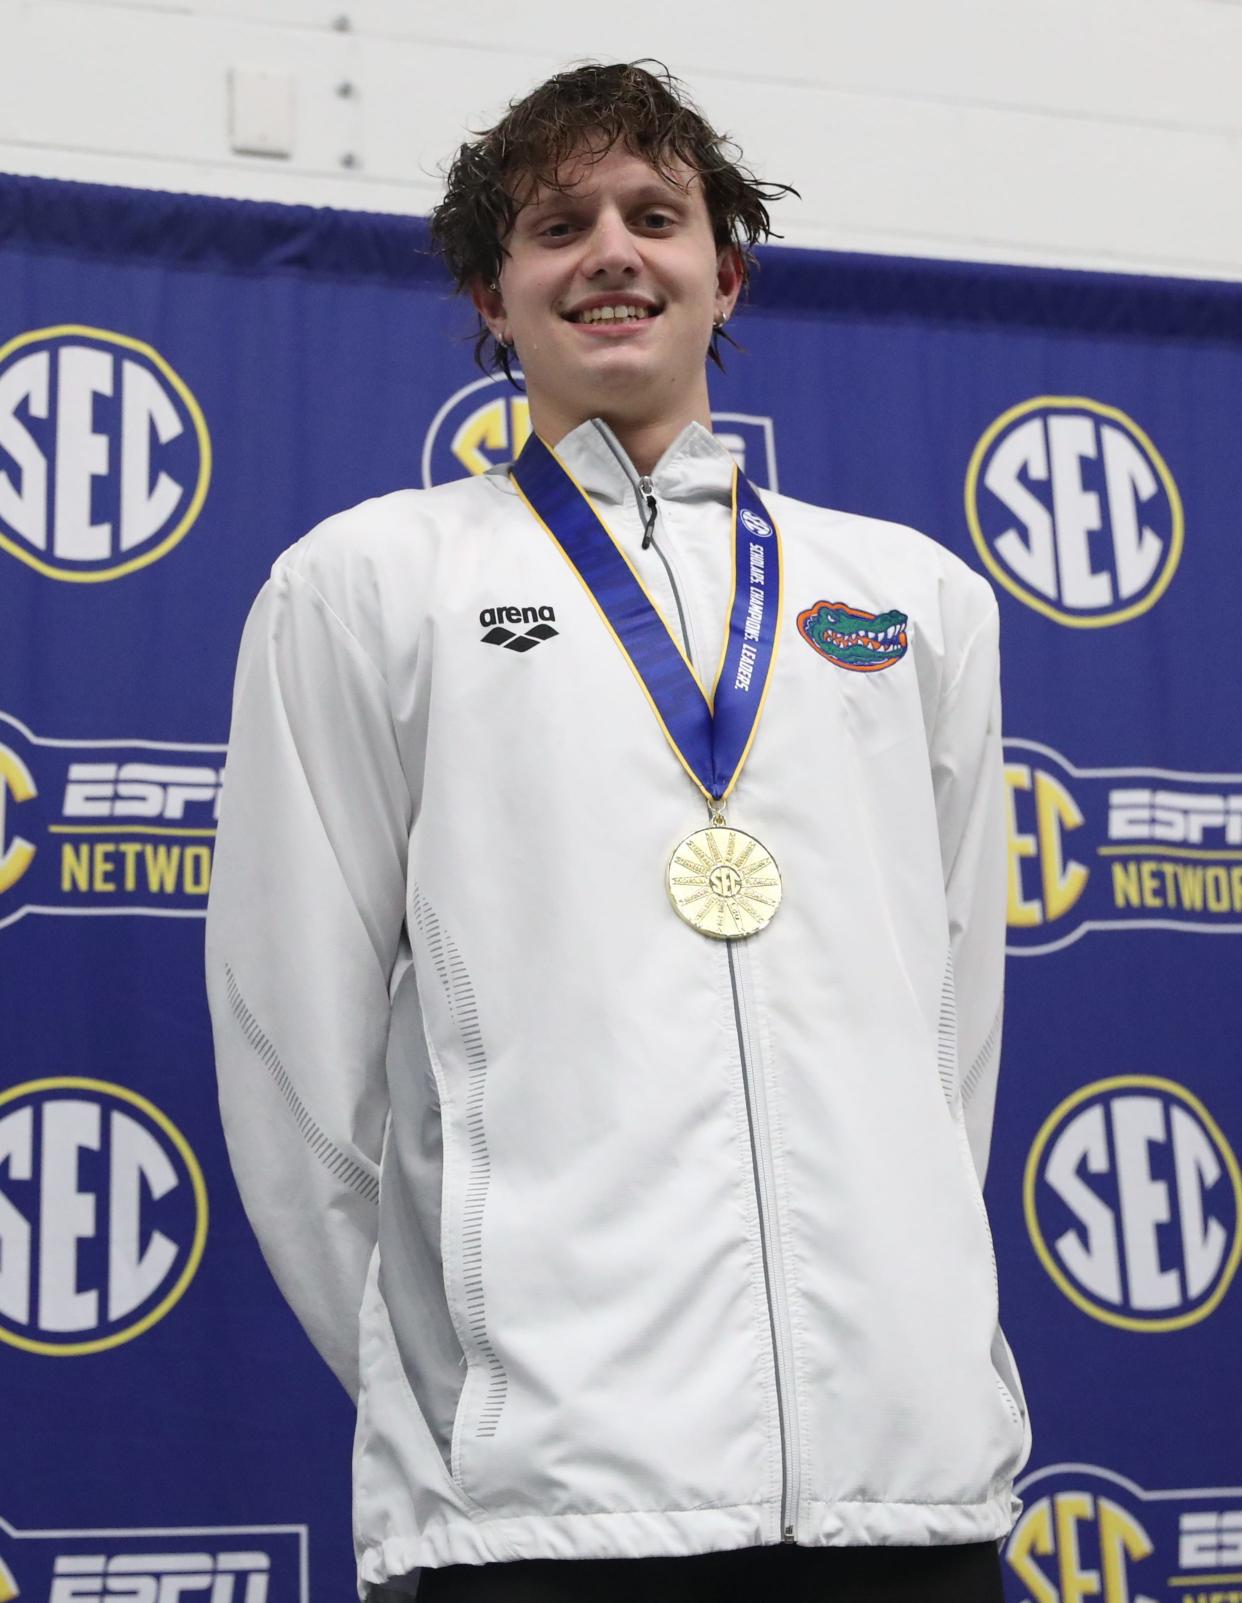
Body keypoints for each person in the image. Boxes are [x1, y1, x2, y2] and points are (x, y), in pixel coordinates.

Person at [205, 60, 1029, 1603]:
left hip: (899, 1492)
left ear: (725, 274)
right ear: (488, 292)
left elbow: (950, 1032)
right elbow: (291, 1056)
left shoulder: (910, 599)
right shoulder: (370, 583)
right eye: (553, 224)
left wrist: (903, 1316)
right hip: (543, 1508)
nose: (608, 251)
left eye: (655, 215)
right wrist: (464, 1396)